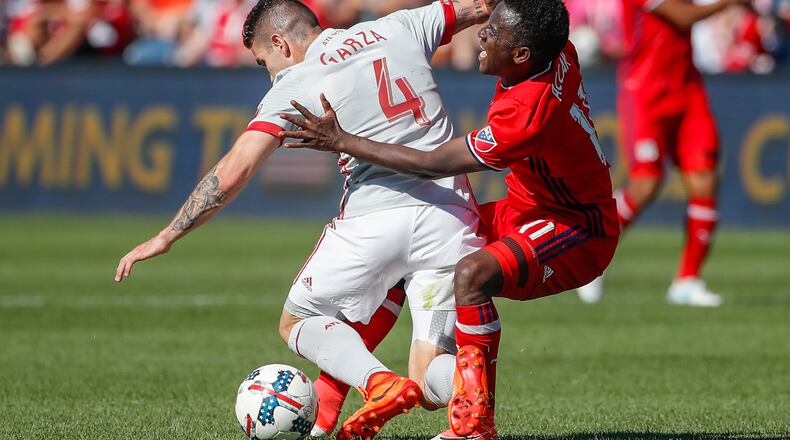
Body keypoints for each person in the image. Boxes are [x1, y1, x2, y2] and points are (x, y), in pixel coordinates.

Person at [114, 0, 497, 438]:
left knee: (296, 322)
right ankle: (467, 379)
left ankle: (379, 383)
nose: (269, 74)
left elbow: (235, 169)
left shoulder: (295, 80)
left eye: (264, 62)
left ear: (281, 44)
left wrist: (169, 234)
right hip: (451, 218)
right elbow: (483, 7)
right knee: (431, 379)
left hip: (375, 218)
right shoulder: (403, 24)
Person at [279, 1, 619, 438]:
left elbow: (431, 162)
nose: (482, 34)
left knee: (472, 274)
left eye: (494, 32)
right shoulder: (555, 47)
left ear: (521, 55)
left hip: (577, 228)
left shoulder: (526, 116)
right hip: (525, 207)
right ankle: (340, 391)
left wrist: (341, 140)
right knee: (423, 264)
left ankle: (475, 426)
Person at [576, 0, 752, 306]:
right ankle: (591, 257)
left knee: (705, 180)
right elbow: (683, 18)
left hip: (687, 88)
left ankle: (687, 280)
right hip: (645, 91)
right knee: (646, 183)